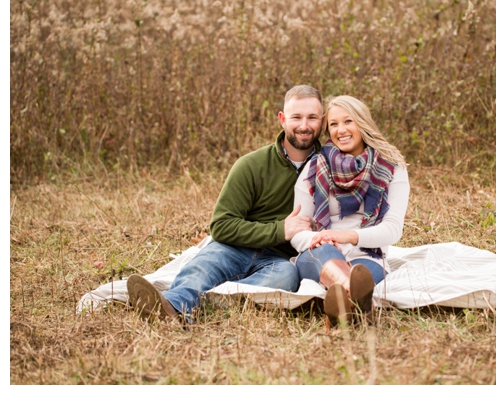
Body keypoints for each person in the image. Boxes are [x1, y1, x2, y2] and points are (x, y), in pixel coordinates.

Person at [127, 85, 325, 323]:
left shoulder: (331, 168)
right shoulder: (251, 165)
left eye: (312, 117)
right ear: (282, 120)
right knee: (203, 267)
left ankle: (214, 304)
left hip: (279, 258)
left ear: (322, 121)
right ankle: (172, 305)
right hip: (234, 247)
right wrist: (280, 229)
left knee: (286, 278)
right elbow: (221, 226)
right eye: (296, 117)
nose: (304, 125)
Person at [290, 95, 410, 325]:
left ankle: (343, 306)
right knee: (335, 264)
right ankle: (361, 305)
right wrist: (322, 239)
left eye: (348, 121)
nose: (341, 130)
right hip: (319, 253)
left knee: (359, 276)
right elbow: (297, 230)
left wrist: (344, 236)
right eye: (333, 124)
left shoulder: (392, 167)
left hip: (368, 258)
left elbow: (393, 229)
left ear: (362, 123)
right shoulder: (314, 168)